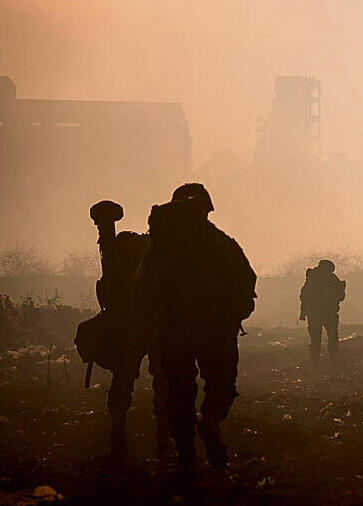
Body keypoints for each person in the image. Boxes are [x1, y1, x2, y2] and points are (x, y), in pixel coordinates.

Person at [137, 183, 256, 473]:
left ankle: (186, 454)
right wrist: (234, 317)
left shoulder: (161, 248)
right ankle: (210, 420)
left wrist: (154, 324)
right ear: (207, 209)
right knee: (221, 383)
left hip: (174, 331)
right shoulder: (221, 243)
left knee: (179, 390)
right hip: (217, 330)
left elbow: (141, 288)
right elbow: (246, 282)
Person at [82, 200, 169, 459]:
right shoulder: (153, 253)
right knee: (160, 378)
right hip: (150, 326)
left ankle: (120, 423)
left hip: (131, 326)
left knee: (125, 377)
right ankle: (162, 429)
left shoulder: (114, 253)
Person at [299, 259, 346, 371]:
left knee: (316, 339)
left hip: (315, 314)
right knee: (332, 338)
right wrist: (342, 288)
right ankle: (331, 362)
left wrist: (303, 312)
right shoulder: (332, 279)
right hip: (328, 314)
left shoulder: (312, 279)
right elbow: (341, 297)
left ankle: (315, 363)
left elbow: (304, 296)